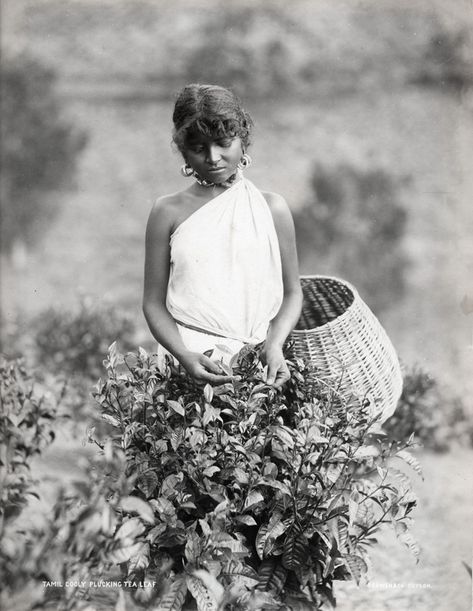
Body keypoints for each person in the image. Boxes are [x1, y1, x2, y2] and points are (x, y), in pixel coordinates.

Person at [143, 84, 303, 389]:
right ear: (183, 150)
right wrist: (183, 355)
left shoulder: (272, 209)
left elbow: (293, 293)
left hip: (256, 367)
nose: (213, 157)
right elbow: (152, 303)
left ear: (242, 140)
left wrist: (274, 345)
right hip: (186, 367)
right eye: (199, 148)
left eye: (222, 143)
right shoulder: (167, 211)